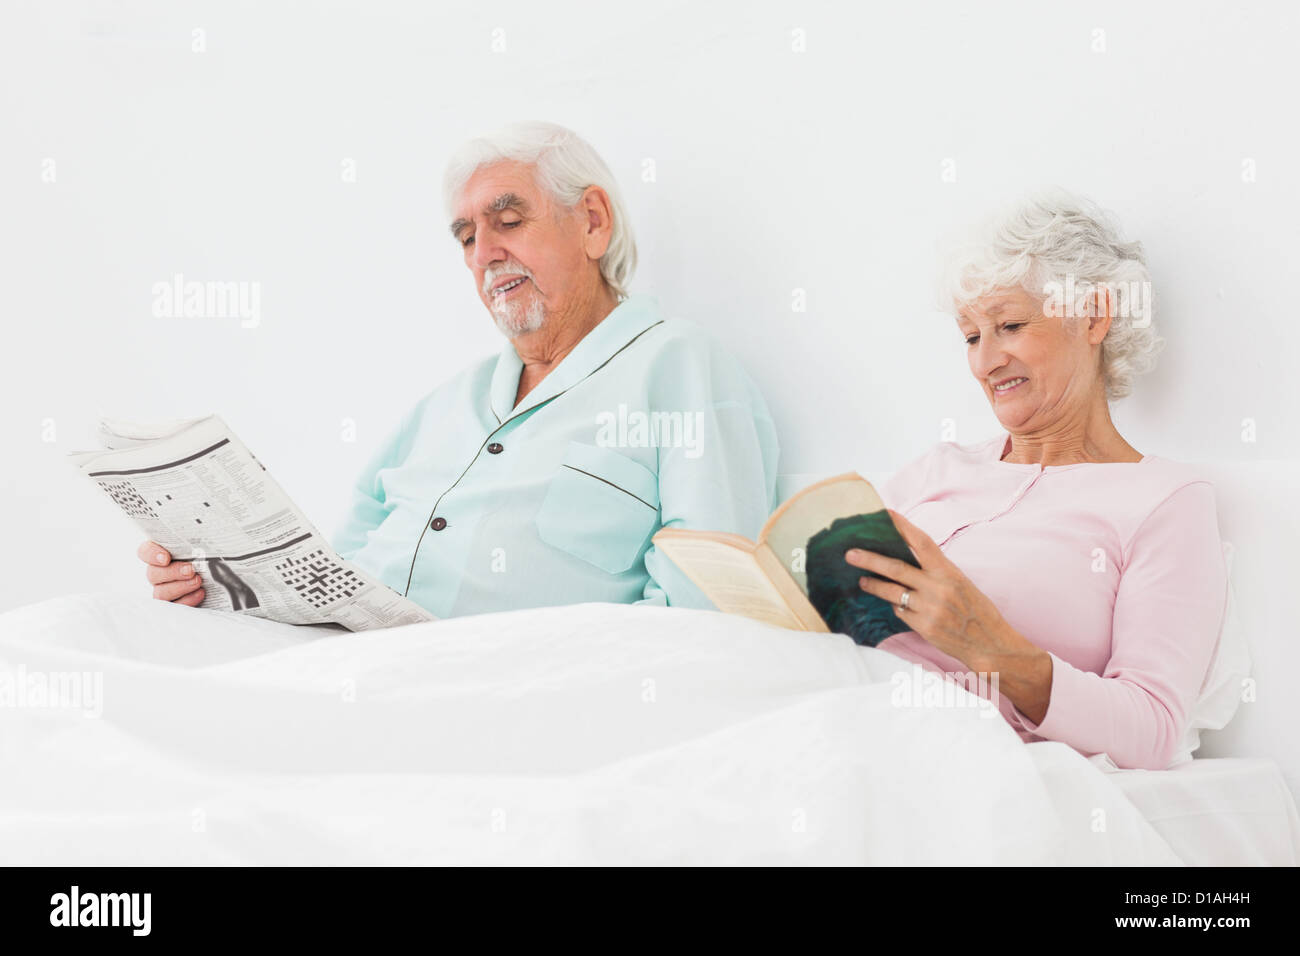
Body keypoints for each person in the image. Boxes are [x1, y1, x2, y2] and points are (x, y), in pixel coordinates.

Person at [138, 121, 779, 616]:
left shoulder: (680, 368)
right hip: (342, 667)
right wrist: (219, 584)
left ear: (592, 222)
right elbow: (335, 580)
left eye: (509, 221)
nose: (484, 255)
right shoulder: (442, 407)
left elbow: (710, 607)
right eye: (468, 238)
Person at [847, 191, 1228, 771]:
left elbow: (1151, 729)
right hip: (841, 702)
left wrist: (987, 644)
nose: (985, 363)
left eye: (1010, 326)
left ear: (1094, 317)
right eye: (972, 336)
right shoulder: (936, 469)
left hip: (938, 753)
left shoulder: (1164, 502)